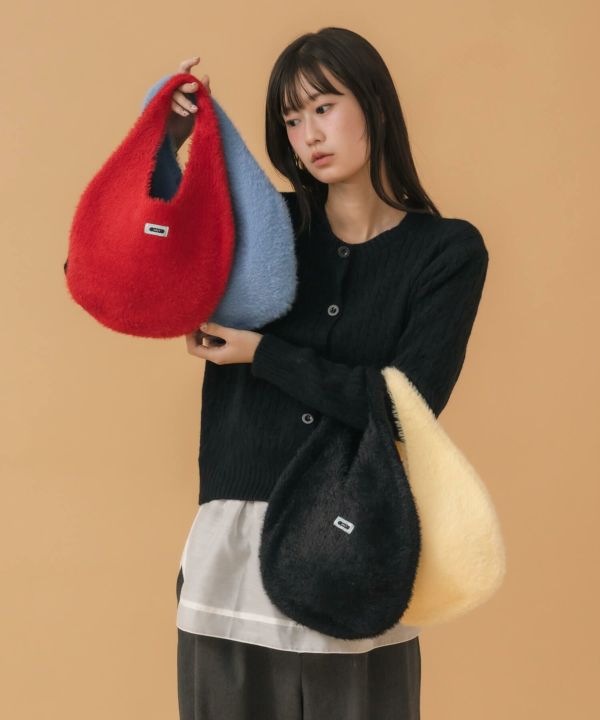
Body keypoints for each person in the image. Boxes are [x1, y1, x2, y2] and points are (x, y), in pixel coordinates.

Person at [153, 26, 489, 720]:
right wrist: (165, 146)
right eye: (291, 118)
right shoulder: (262, 228)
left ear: (374, 104)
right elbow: (137, 263)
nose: (308, 133)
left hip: (354, 543)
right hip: (235, 548)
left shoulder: (446, 253)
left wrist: (264, 355)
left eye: (324, 107)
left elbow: (403, 410)